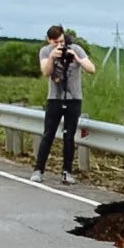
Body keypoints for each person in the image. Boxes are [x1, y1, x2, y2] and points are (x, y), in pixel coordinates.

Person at [33, 24, 95, 184]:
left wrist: (78, 59)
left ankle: (67, 172)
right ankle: (38, 170)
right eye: (55, 42)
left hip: (74, 98)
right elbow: (45, 72)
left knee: (69, 137)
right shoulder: (45, 51)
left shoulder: (76, 49)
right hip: (55, 98)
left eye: (61, 41)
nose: (59, 45)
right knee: (48, 134)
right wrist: (53, 56)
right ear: (49, 40)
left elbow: (91, 69)